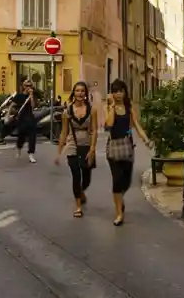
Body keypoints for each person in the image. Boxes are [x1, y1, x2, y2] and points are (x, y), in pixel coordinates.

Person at [104, 78, 150, 226]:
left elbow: (136, 125)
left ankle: (119, 198)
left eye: (120, 91)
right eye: (115, 92)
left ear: (124, 92)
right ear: (112, 94)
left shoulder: (129, 109)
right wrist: (111, 106)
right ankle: (119, 214)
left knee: (127, 181)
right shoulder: (110, 108)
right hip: (113, 147)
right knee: (117, 180)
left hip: (127, 146)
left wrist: (145, 139)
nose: (118, 94)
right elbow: (109, 125)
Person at [54, 81, 98, 217]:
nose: (80, 93)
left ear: (85, 94)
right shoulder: (67, 111)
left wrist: (92, 149)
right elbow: (64, 132)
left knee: (86, 178)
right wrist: (59, 152)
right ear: (74, 93)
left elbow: (95, 130)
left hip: (87, 144)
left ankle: (81, 191)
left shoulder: (92, 110)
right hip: (72, 144)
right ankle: (78, 206)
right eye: (77, 91)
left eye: (82, 91)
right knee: (76, 175)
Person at [10, 80, 37, 163]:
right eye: (26, 85)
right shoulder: (19, 96)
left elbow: (33, 107)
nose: (28, 87)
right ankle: (19, 148)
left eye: (30, 85)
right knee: (21, 136)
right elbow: (12, 106)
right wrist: (9, 114)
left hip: (30, 118)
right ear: (23, 86)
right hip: (21, 118)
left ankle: (31, 154)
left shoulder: (32, 96)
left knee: (32, 137)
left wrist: (31, 96)